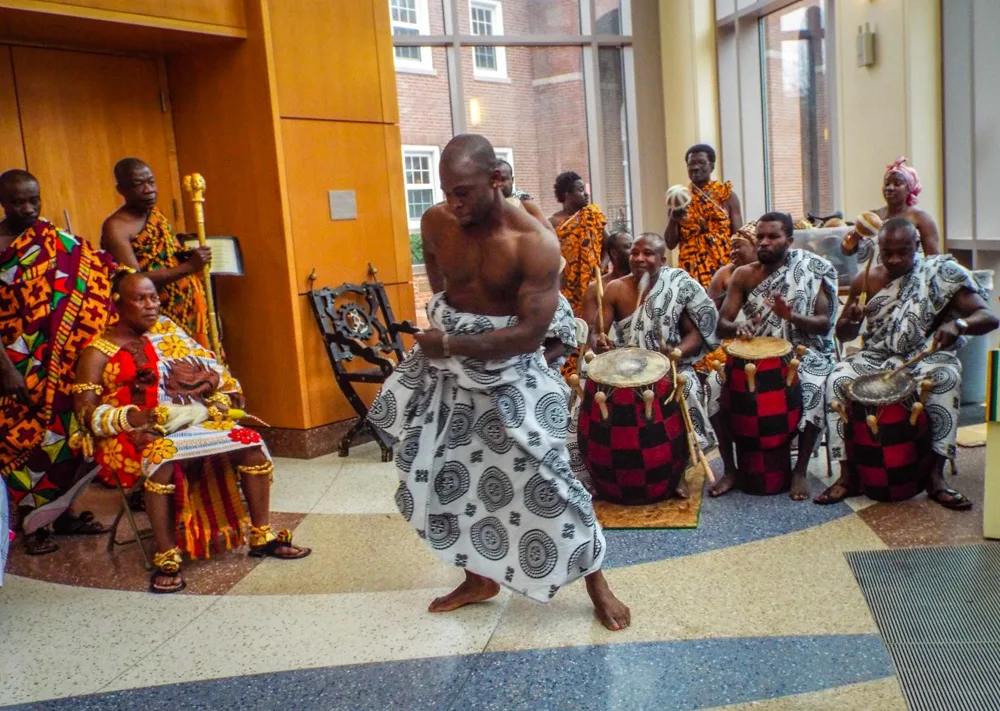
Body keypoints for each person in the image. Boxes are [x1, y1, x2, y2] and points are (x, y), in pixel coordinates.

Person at [369, 134, 630, 631]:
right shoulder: (436, 222)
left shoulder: (534, 243)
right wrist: (446, 340)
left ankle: (596, 579)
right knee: (442, 476)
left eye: (463, 192)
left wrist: (450, 346)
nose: (453, 203)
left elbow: (529, 333)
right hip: (451, 370)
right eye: (447, 192)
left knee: (551, 479)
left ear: (496, 180)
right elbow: (446, 293)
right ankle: (477, 577)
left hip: (513, 369)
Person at [73, 271, 310, 592]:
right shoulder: (97, 352)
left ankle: (261, 534)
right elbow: (85, 414)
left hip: (191, 420)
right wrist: (134, 416)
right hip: (132, 433)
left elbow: (214, 372)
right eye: (140, 299)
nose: (151, 305)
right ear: (118, 303)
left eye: (154, 297)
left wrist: (220, 397)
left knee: (250, 442)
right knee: (165, 456)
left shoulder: (170, 332)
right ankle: (167, 554)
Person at [817, 218, 996, 509]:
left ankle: (936, 477)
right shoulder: (866, 280)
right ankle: (847, 475)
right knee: (837, 380)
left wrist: (959, 325)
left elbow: (989, 316)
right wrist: (850, 322)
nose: (895, 259)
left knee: (946, 377)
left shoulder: (940, 274)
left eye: (903, 251)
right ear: (879, 248)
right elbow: (843, 333)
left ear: (917, 246)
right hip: (876, 355)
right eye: (888, 252)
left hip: (926, 355)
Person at [0, 170, 116, 555]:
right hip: (15, 365)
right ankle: (32, 525)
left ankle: (61, 513)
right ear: (2, 201)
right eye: (18, 202)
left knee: (68, 439)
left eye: (34, 200)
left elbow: (92, 270)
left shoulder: (51, 238)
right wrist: (6, 369)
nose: (29, 209)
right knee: (26, 442)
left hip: (63, 363)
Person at [708, 212, 837, 500]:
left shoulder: (810, 270)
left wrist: (790, 316)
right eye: (760, 237)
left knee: (815, 386)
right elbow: (722, 325)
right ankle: (730, 469)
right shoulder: (743, 275)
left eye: (773, 237)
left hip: (802, 353)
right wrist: (739, 326)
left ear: (789, 241)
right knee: (715, 386)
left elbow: (823, 322)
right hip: (753, 357)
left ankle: (800, 470)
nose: (764, 242)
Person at [591, 232, 719, 498]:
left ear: (662, 259)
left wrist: (675, 353)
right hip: (626, 366)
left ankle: (679, 472)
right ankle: (605, 470)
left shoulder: (677, 285)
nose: (639, 258)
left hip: (670, 366)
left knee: (688, 389)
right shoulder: (615, 289)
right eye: (635, 252)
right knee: (591, 393)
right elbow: (596, 333)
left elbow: (694, 333)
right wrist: (600, 342)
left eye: (647, 254)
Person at [101, 158, 213, 349]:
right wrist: (189, 267)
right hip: (156, 315)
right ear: (121, 190)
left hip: (190, 312)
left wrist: (183, 256)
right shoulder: (116, 227)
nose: (148, 189)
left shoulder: (155, 214)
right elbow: (135, 282)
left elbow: (164, 255)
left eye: (151, 182)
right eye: (139, 184)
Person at [665, 144, 743, 289]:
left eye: (701, 162)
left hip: (723, 267)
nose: (695, 167)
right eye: (691, 163)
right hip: (691, 270)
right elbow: (670, 243)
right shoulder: (679, 198)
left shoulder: (726, 195)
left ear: (712, 166)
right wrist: (673, 219)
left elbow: (738, 236)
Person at [844, 157, 940, 259]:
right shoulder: (871, 217)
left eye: (897, 183)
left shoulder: (921, 218)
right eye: (886, 183)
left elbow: (933, 259)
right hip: (872, 274)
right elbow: (847, 252)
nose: (890, 188)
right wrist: (849, 242)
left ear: (909, 189)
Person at [699, 222, 758, 375]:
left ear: (756, 247)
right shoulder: (725, 273)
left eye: (738, 246)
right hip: (728, 340)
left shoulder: (771, 272)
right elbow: (709, 316)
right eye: (732, 248)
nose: (733, 252)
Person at [549, 172, 608, 319]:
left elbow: (609, 245)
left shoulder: (592, 215)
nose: (586, 194)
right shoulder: (552, 222)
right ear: (567, 194)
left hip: (592, 280)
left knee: (592, 322)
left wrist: (600, 269)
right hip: (566, 283)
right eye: (581, 190)